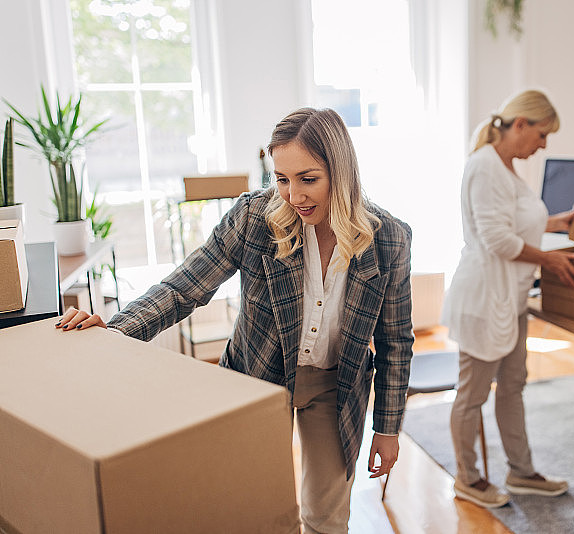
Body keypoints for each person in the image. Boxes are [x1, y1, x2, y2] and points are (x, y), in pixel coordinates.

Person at [56, 107, 414, 533]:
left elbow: (395, 342)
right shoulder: (253, 219)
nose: (293, 195)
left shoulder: (388, 239)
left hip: (336, 386)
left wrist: (387, 429)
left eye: (308, 179)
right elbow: (183, 288)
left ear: (342, 171)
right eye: (282, 179)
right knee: (254, 509)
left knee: (328, 516)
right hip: (255, 378)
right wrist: (114, 332)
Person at [441, 90, 574, 509]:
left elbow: (512, 220)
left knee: (513, 387)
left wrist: (556, 221)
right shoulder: (485, 165)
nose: (543, 146)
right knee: (471, 395)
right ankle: (467, 478)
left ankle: (521, 472)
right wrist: (550, 261)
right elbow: (498, 238)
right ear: (520, 123)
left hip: (511, 298)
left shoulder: (504, 166)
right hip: (484, 300)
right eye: (541, 135)